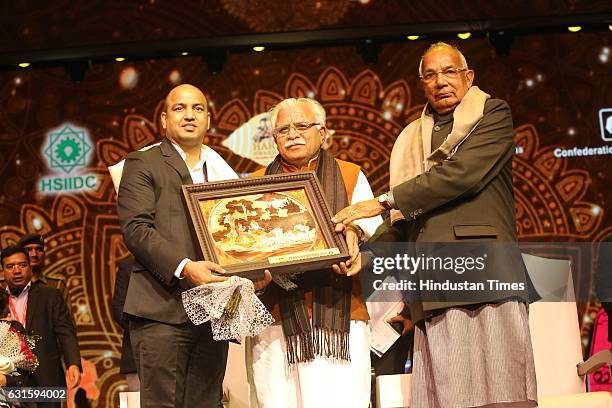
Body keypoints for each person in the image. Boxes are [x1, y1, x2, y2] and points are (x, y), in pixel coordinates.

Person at [334, 42, 537, 407]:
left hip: (485, 274)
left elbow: (460, 176)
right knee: (448, 396)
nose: (440, 81)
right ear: (422, 83)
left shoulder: (492, 114)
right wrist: (367, 256)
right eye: (430, 74)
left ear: (468, 76)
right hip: (433, 283)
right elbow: (407, 218)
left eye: (449, 72)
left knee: (503, 393)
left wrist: (382, 200)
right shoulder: (412, 137)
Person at [246, 97, 382, 407]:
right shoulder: (254, 184)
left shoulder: (350, 174)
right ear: (274, 138)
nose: (292, 134)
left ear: (322, 132)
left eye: (301, 126)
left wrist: (355, 238)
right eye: (283, 129)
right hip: (277, 321)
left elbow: (375, 229)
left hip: (340, 317)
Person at [117, 84, 240, 408]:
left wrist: (252, 270)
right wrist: (186, 267)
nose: (189, 115)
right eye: (180, 108)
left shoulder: (221, 170)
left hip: (212, 312)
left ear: (209, 118)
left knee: (206, 403)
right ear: (163, 118)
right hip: (162, 310)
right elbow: (137, 229)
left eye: (198, 108)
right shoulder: (143, 163)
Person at [1, 245, 81, 408]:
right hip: (8, 379)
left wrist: (73, 363)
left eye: (22, 265)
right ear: (3, 270)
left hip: (47, 377)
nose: (17, 270)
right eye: (10, 266)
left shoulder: (50, 295)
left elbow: (66, 331)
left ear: (30, 267)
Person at [110, 256, 139, 391]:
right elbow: (119, 311)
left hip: (176, 356)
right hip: (137, 354)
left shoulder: (179, 265)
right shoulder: (128, 267)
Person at [17, 233, 70, 306]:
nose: (34, 254)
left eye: (39, 249)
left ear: (44, 254)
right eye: (28, 249)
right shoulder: (7, 286)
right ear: (19, 255)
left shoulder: (57, 285)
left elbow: (67, 316)